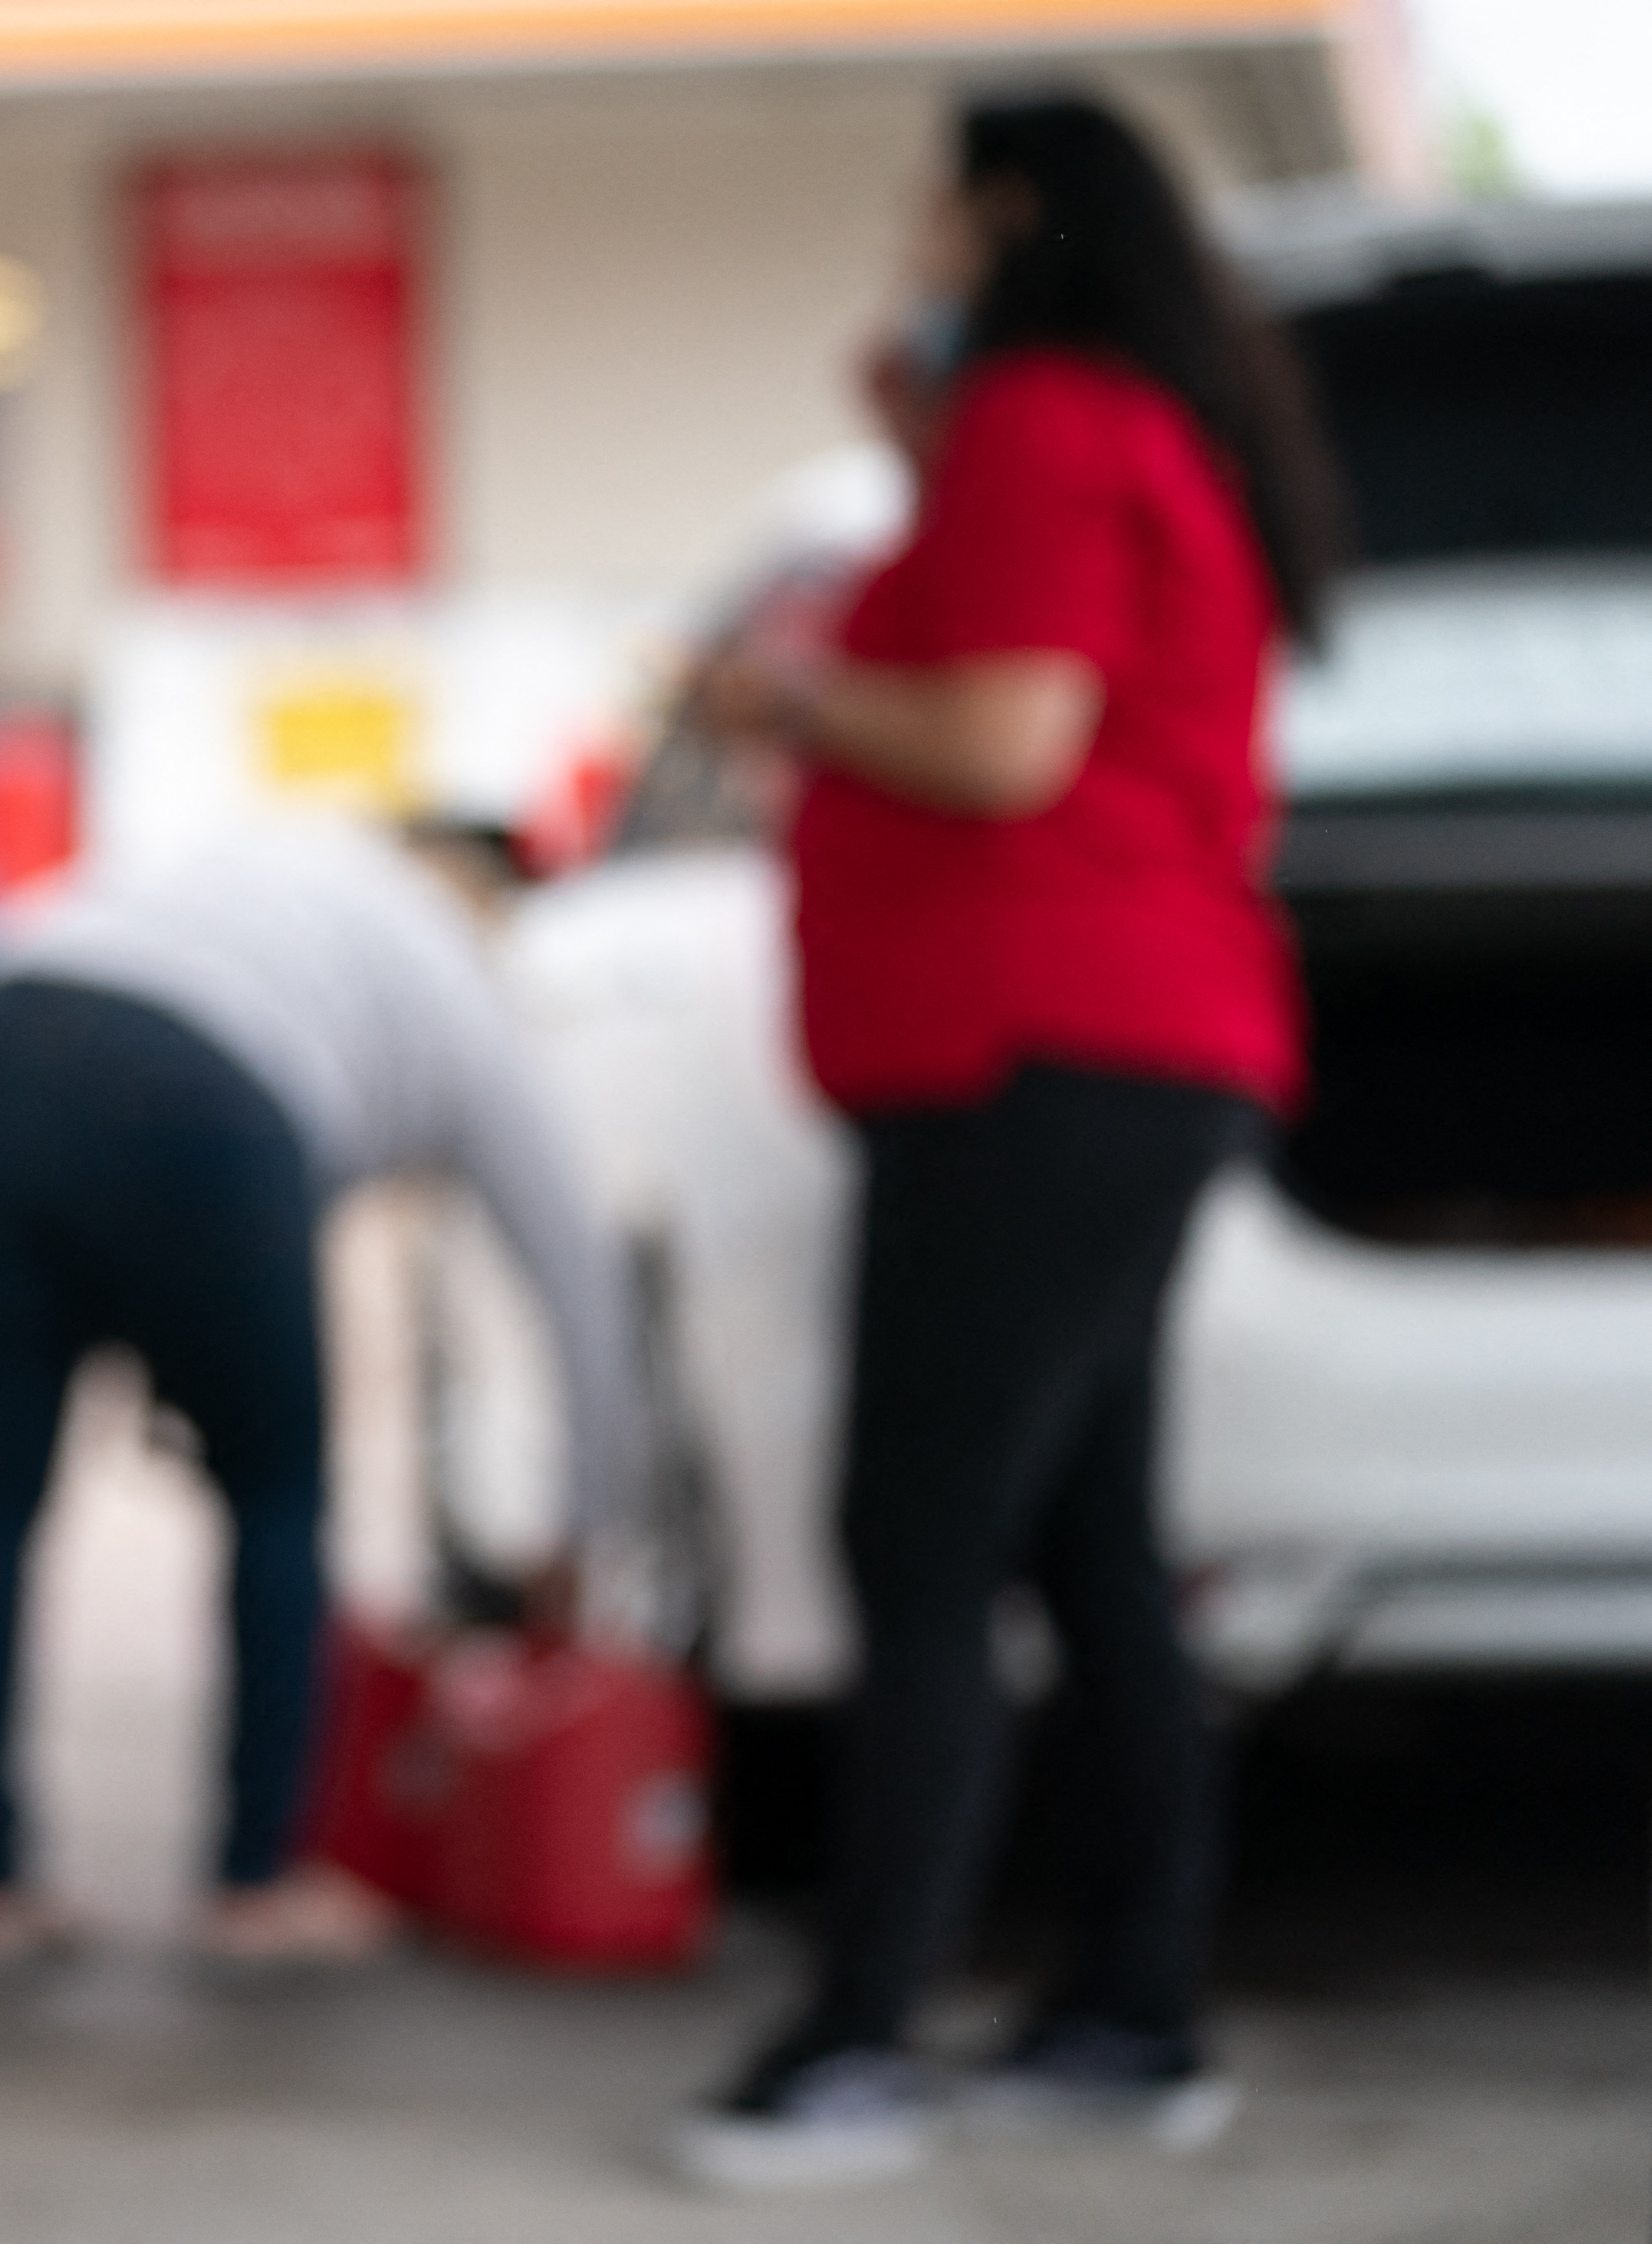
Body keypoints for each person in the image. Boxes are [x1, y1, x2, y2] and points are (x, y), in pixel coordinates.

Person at [670, 91, 1339, 2189]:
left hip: (1032, 1056)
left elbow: (1003, 728)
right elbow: (1044, 663)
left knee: (924, 1538)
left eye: (933, 214)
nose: (918, 246)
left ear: (1014, 212)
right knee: (1086, 1545)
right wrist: (915, 451)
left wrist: (775, 695)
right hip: (1137, 1051)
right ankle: (1132, 2014)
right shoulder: (1125, 434)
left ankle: (858, 2034)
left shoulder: (1053, 414)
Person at [0, 814, 647, 1966]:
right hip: (205, 1098)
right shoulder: (464, 981)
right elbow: (576, 1276)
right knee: (277, 1493)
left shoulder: (254, 858)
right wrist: (587, 1532)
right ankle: (256, 1879)